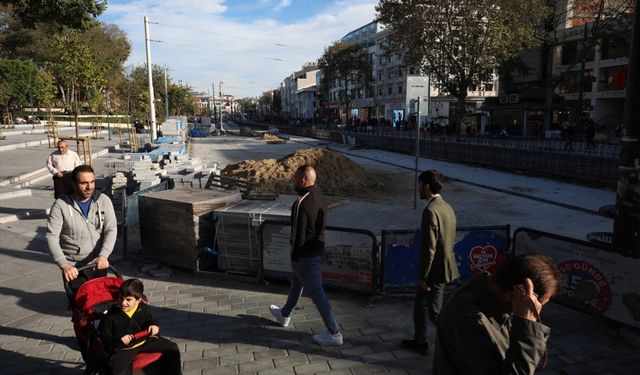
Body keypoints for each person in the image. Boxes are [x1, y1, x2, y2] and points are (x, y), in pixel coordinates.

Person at [433, 254, 562, 375]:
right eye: (539, 305)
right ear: (513, 295)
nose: (538, 311)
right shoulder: (470, 319)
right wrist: (528, 329)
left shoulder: (489, 291)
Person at [268, 165, 342, 346]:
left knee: (317, 294)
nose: (292, 181)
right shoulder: (321, 198)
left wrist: (294, 256)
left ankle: (334, 333)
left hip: (305, 256)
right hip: (316, 251)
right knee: (296, 284)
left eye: (294, 178)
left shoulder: (301, 202)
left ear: (302, 180)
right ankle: (284, 314)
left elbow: (297, 235)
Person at [402, 170, 459, 355]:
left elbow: (430, 248)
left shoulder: (430, 211)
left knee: (435, 312)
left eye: (420, 185)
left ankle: (457, 344)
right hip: (444, 266)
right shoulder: (447, 207)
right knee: (420, 304)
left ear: (426, 186)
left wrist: (424, 277)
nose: (418, 189)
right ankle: (420, 340)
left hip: (435, 271)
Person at [46, 165, 117, 293]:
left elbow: (111, 229)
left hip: (98, 263)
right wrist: (64, 265)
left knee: (99, 301)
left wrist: (104, 255)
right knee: (80, 304)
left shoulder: (104, 201)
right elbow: (51, 237)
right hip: (74, 268)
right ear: (73, 183)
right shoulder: (60, 205)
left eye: (92, 182)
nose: (89, 187)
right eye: (84, 183)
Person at [99, 279, 182, 375]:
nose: (123, 303)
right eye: (121, 298)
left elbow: (150, 319)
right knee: (117, 370)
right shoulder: (111, 316)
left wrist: (153, 324)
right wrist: (119, 339)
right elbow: (104, 338)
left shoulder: (143, 308)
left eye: (128, 299)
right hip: (124, 348)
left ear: (138, 300)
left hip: (145, 341)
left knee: (172, 348)